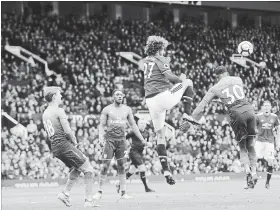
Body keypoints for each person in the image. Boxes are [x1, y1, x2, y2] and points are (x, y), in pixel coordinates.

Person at [139, 35, 199, 185]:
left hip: (151, 101)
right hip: (162, 97)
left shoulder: (146, 61)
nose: (164, 52)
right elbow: (169, 76)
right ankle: (187, 114)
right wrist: (181, 79)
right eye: (163, 49)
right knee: (188, 82)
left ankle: (166, 171)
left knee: (160, 136)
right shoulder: (161, 59)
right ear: (159, 49)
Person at [190, 66, 258, 189]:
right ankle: (254, 172)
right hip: (250, 110)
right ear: (227, 72)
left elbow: (201, 106)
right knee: (251, 145)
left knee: (243, 147)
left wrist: (191, 117)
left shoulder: (215, 88)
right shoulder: (238, 79)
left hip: (236, 114)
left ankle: (247, 170)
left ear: (217, 76)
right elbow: (235, 94)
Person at [42, 86, 98, 207]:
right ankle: (89, 201)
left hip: (55, 147)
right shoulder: (58, 111)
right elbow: (67, 131)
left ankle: (65, 194)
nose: (61, 96)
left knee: (78, 168)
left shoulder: (45, 113)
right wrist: (75, 140)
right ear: (53, 97)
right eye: (59, 94)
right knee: (88, 169)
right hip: (63, 145)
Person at [93, 89, 147, 200]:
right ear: (113, 96)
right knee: (104, 166)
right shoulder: (107, 109)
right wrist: (100, 137)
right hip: (110, 141)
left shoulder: (127, 109)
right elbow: (102, 126)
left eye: (121, 95)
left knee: (122, 166)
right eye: (117, 94)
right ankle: (99, 191)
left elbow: (133, 125)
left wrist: (142, 139)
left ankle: (123, 193)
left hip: (122, 141)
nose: (119, 96)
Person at [116, 118, 155, 193]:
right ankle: (146, 188)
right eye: (141, 123)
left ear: (145, 124)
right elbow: (124, 138)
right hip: (133, 152)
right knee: (142, 169)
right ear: (138, 124)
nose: (142, 125)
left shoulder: (147, 132)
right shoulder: (134, 131)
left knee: (131, 171)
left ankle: (119, 183)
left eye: (143, 123)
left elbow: (147, 143)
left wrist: (149, 144)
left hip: (140, 153)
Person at [255, 101, 280, 189]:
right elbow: (253, 127)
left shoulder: (274, 117)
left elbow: (278, 128)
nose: (266, 107)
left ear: (270, 107)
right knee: (253, 160)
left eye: (268, 106)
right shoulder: (258, 116)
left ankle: (267, 183)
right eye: (265, 106)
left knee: (271, 162)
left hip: (270, 142)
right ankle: (252, 179)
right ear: (262, 107)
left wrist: (278, 141)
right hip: (259, 141)